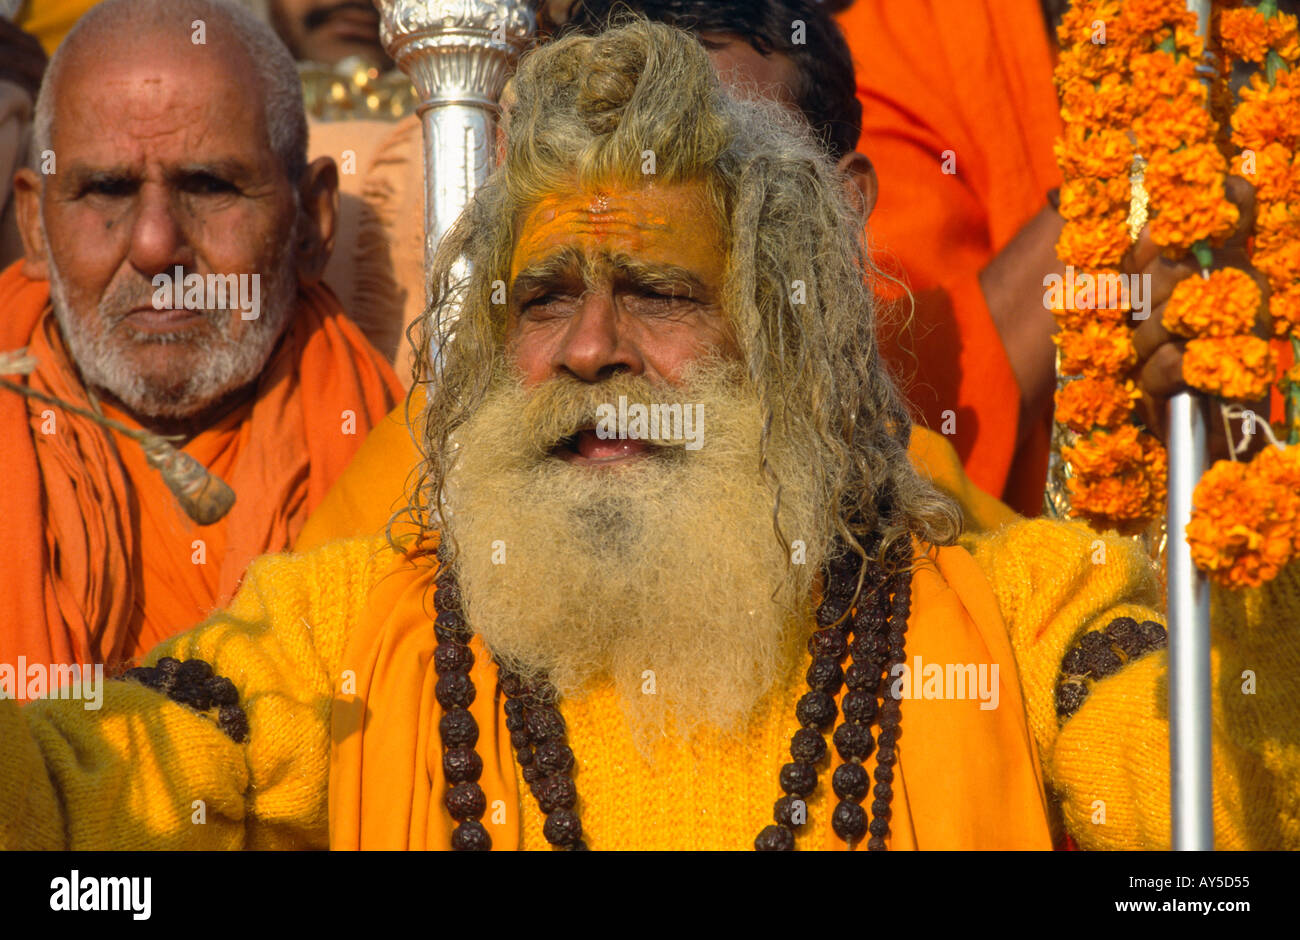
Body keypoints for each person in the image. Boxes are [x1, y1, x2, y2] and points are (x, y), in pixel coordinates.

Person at [3, 20, 1294, 851]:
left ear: (783, 332)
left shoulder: (1019, 610)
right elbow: (77, 779)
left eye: (662, 294)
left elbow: (1234, 797)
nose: (589, 350)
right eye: (543, 299)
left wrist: (1246, 510)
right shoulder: (347, 626)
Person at [0, 0, 402, 684]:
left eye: (210, 186)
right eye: (106, 190)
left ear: (312, 221)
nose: (156, 248)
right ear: (36, 227)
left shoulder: (405, 479)